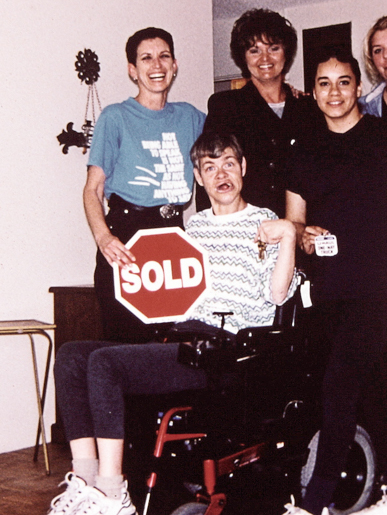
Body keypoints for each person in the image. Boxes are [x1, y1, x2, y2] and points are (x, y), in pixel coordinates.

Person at [50, 131, 298, 515]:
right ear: (197, 177)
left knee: (105, 364)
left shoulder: (264, 222)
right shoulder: (192, 228)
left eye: (229, 163)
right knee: (71, 355)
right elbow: (171, 293)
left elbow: (278, 296)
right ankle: (85, 483)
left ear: (244, 168)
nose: (221, 175)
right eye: (210, 167)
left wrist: (287, 237)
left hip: (226, 349)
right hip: (182, 338)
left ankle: (113, 494)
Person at [284, 48, 387, 515]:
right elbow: (294, 220)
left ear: (359, 88)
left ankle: (313, 501)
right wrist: (303, 235)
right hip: (328, 291)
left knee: (340, 385)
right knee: (373, 389)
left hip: (382, 286)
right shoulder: (303, 150)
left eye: (344, 81)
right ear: (313, 92)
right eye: (324, 83)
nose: (334, 91)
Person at [83, 27, 206, 343]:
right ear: (132, 70)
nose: (157, 66)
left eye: (164, 56)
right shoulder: (115, 117)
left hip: (175, 239)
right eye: (146, 58)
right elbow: (93, 188)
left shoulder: (191, 117)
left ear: (174, 65)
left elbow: (229, 150)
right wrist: (103, 238)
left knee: (173, 349)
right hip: (126, 239)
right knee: (128, 349)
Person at [201, 8, 315, 218]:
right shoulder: (226, 106)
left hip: (301, 229)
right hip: (248, 229)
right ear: (243, 57)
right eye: (254, 50)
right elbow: (209, 170)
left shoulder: (308, 108)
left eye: (274, 48)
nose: (265, 58)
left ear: (286, 53)